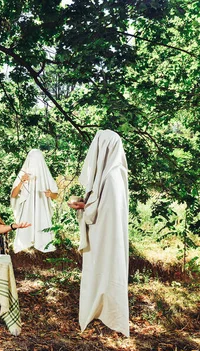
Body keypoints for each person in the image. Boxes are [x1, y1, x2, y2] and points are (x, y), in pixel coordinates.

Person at [68, 129, 130, 337]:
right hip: (107, 235)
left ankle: (105, 311)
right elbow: (103, 207)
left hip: (103, 236)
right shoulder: (115, 172)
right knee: (104, 271)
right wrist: (85, 205)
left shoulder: (111, 176)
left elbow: (96, 212)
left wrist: (82, 207)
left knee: (102, 271)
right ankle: (102, 310)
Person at [10, 149, 59, 253]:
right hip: (26, 207)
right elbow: (14, 194)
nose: (34, 162)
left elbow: (55, 195)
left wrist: (50, 194)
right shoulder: (23, 174)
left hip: (41, 207)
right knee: (25, 228)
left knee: (42, 227)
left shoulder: (46, 176)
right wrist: (21, 182)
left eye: (37, 159)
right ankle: (25, 244)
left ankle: (42, 244)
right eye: (32, 159)